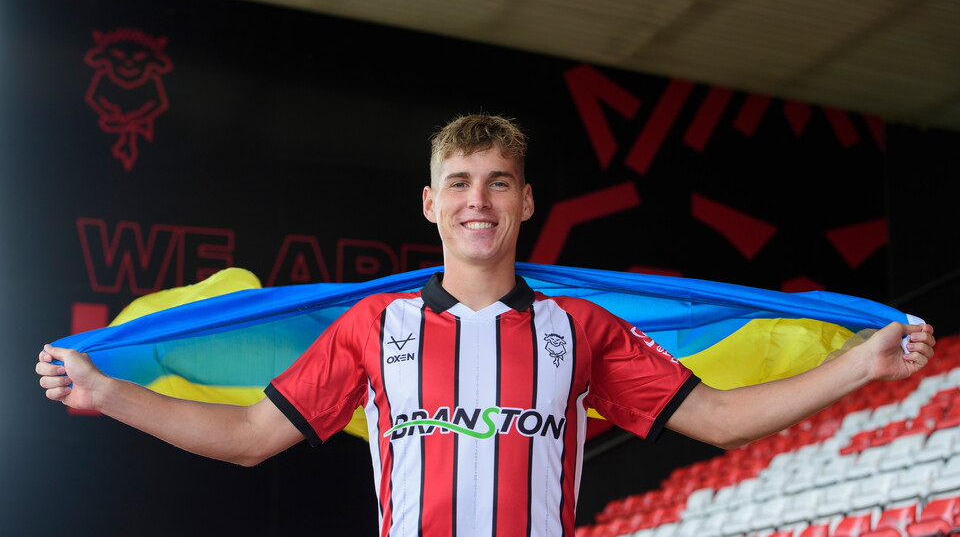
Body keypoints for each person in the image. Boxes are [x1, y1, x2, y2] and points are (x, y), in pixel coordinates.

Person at [38, 114, 936, 536]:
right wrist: (108, 394)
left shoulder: (580, 328)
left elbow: (722, 420)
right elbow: (245, 439)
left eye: (498, 182)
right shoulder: (372, 327)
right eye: (460, 183)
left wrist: (862, 367)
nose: (479, 200)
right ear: (432, 204)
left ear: (525, 201)